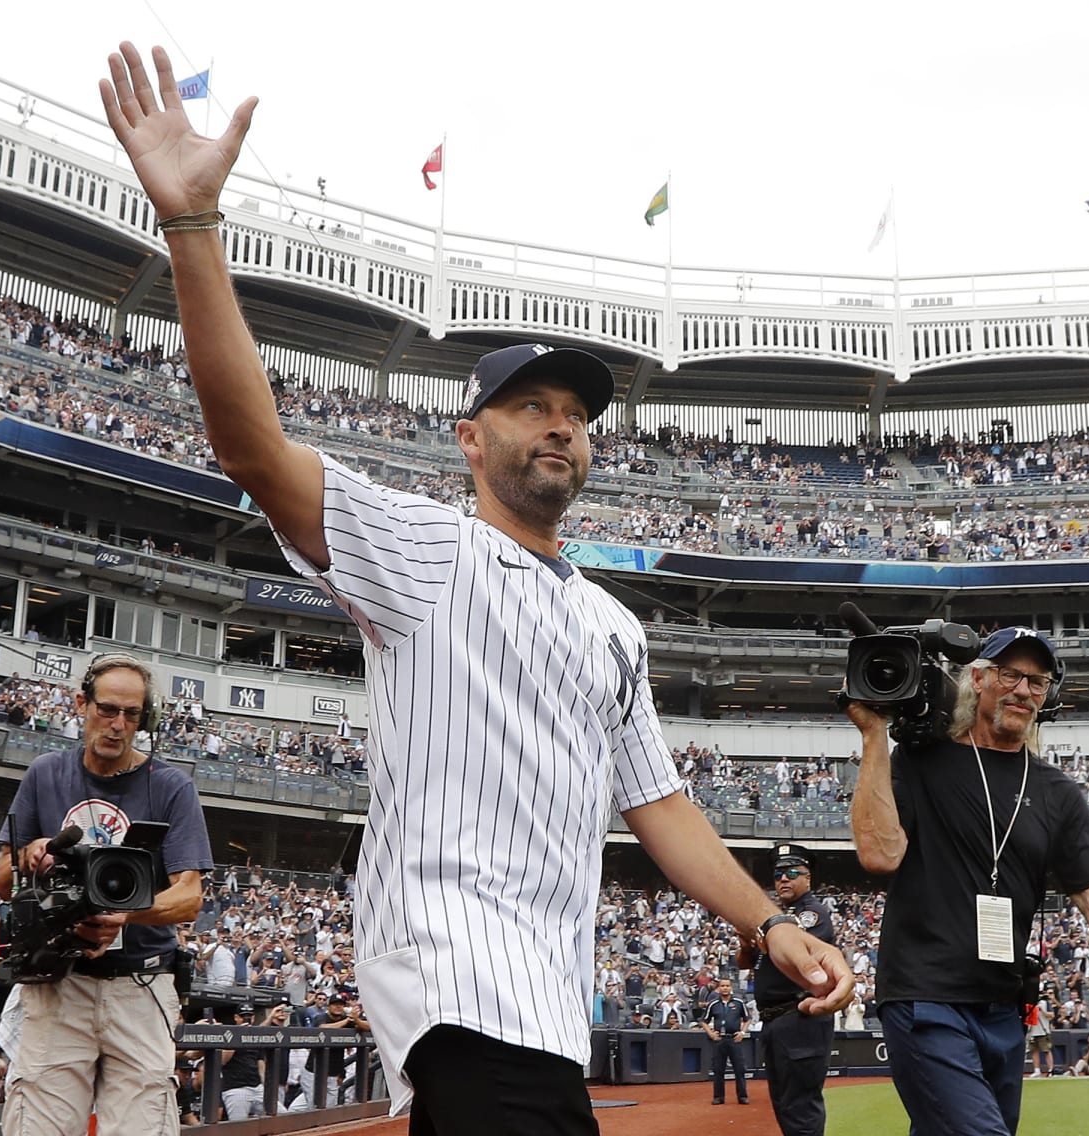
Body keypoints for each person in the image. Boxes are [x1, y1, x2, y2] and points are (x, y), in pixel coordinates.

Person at [97, 43, 854, 1136]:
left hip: (548, 993)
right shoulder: (421, 549)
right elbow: (253, 448)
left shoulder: (611, 624)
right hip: (450, 974)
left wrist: (769, 922)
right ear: (469, 436)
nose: (562, 424)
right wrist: (193, 228)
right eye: (532, 403)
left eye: (578, 412)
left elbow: (662, 807)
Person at [848, 626, 1089, 1136]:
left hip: (1005, 1010)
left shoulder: (1057, 793)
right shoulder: (921, 759)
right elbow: (878, 853)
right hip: (925, 998)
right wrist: (875, 735)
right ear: (977, 680)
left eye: (1037, 681)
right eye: (1010, 675)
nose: (1023, 691)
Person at [0, 653, 214, 1136]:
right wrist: (31, 856)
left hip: (140, 986)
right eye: (107, 710)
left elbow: (190, 897)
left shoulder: (172, 786)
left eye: (131, 715)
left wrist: (125, 915)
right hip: (57, 981)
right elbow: (1, 880)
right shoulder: (46, 773)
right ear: (82, 704)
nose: (117, 725)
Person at [741, 844, 836, 1134]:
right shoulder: (777, 918)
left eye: (793, 873)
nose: (784, 878)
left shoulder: (811, 914)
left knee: (800, 1107)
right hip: (776, 1019)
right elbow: (747, 961)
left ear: (808, 879)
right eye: (779, 873)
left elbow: (791, 955)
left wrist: (760, 935)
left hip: (799, 1016)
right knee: (784, 1104)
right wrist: (748, 942)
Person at [703, 978, 750, 1105]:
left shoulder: (739, 1002)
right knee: (718, 1070)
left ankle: (742, 1096)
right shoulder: (713, 1004)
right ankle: (718, 1097)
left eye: (727, 986)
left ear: (731, 988)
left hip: (734, 1039)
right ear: (719, 988)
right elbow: (704, 1021)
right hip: (719, 1040)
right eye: (722, 986)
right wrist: (711, 1033)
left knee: (739, 1069)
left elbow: (747, 1019)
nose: (725, 988)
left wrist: (742, 1032)